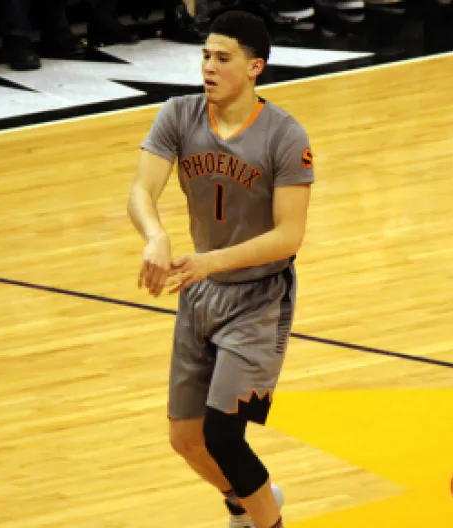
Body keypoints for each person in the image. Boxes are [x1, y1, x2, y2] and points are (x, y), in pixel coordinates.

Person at [128, 11, 313, 528]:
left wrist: (209, 261)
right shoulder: (178, 115)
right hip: (200, 290)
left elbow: (289, 235)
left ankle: (267, 522)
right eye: (205, 55)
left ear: (255, 68)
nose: (208, 67)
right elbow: (142, 189)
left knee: (224, 435)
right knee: (186, 439)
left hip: (258, 297)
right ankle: (248, 505)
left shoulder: (285, 136)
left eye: (223, 58)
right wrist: (156, 236)